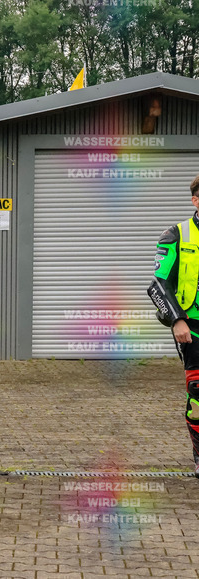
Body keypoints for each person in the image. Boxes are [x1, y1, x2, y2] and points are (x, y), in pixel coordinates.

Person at [149, 174, 199, 474]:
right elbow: (157, 284)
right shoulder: (176, 234)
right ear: (196, 199)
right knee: (198, 393)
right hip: (192, 328)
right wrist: (177, 320)